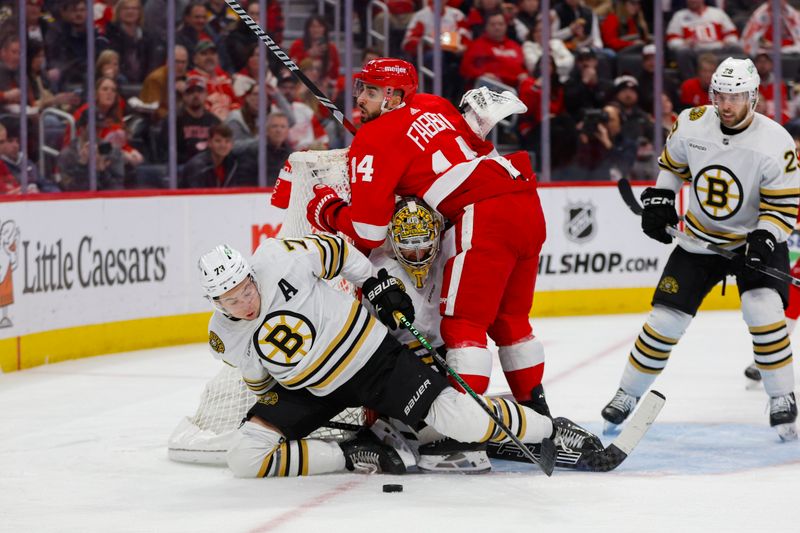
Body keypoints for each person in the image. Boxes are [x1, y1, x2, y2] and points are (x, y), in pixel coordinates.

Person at [198, 241, 599, 478]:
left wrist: (374, 283)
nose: (245, 301)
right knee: (245, 457)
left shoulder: (280, 257)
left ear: (250, 273)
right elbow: (259, 381)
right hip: (311, 391)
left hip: (376, 362)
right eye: (232, 299)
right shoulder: (223, 335)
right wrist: (268, 414)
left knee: (465, 420)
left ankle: (548, 429)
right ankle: (352, 454)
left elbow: (339, 253)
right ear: (216, 303)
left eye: (246, 288)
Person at [304, 58, 552, 418]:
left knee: (463, 325)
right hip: (525, 200)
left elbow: (370, 233)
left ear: (393, 96)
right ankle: (535, 410)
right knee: (510, 320)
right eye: (361, 89)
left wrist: (328, 210)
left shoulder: (373, 137)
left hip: (483, 214)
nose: (359, 99)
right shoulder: (434, 103)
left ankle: (466, 430)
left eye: (370, 92)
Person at [600, 57, 799, 442]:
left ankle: (781, 397)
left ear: (753, 97)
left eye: (736, 97)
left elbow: (783, 207)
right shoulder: (692, 123)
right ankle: (626, 394)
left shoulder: (775, 142)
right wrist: (661, 199)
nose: (726, 105)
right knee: (663, 321)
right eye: (721, 95)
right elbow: (675, 166)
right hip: (698, 240)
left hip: (754, 242)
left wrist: (764, 237)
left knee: (764, 313)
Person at [179, 124, 253, 188]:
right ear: (209, 143)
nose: (223, 145)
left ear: (232, 144)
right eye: (218, 141)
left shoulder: (232, 163)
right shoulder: (198, 166)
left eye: (227, 141)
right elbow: (196, 196)